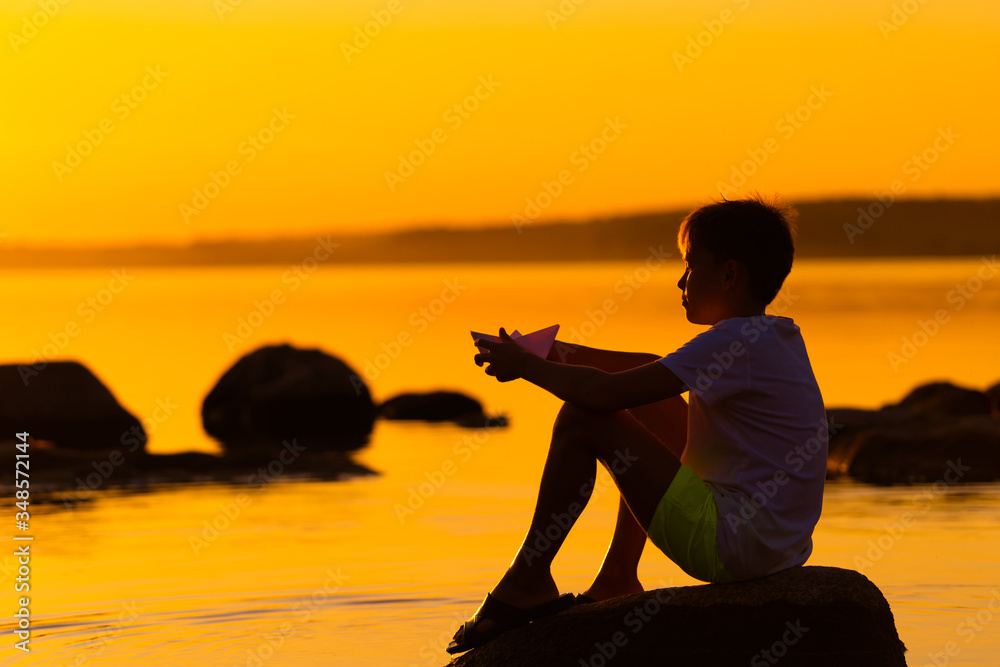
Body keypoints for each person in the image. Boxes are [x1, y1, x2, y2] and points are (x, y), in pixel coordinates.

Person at [447, 193, 828, 655]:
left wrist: (527, 368)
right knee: (650, 404)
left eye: (691, 266)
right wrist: (549, 352)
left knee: (582, 418)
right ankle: (617, 580)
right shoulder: (771, 336)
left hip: (731, 544)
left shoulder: (734, 341)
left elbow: (601, 395)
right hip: (771, 544)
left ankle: (527, 580)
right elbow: (648, 372)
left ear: (728, 275)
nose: (681, 281)